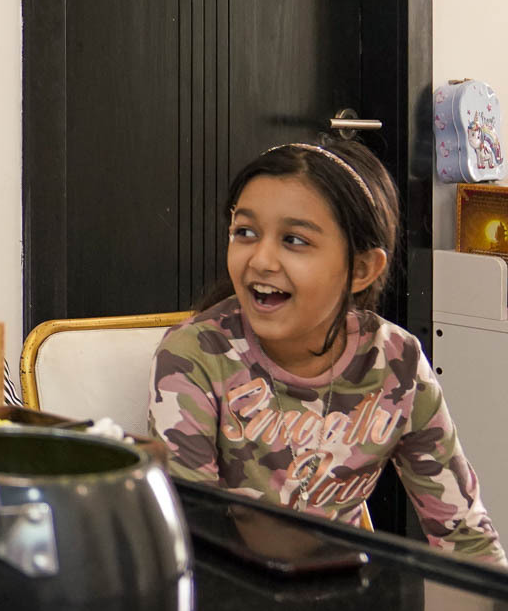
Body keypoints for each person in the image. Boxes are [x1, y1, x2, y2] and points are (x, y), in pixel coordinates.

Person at [150, 139, 506, 565]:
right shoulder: (194, 356)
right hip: (229, 601)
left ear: (361, 269)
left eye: (294, 240)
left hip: (340, 601)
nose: (261, 259)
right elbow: (189, 539)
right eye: (245, 232)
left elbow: (465, 538)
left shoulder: (397, 361)